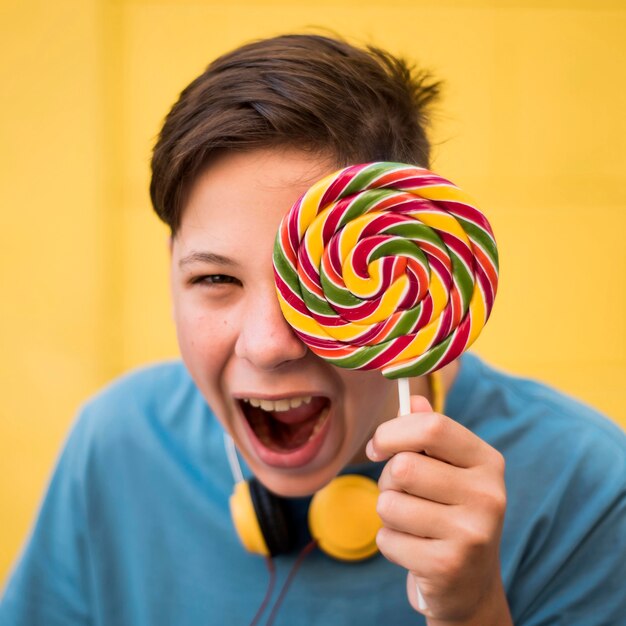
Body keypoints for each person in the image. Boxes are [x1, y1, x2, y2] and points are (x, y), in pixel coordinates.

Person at [1, 34, 624, 626]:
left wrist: (475, 610)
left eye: (319, 284)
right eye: (216, 280)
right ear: (171, 270)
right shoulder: (115, 446)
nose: (268, 346)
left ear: (411, 268)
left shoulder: (590, 487)